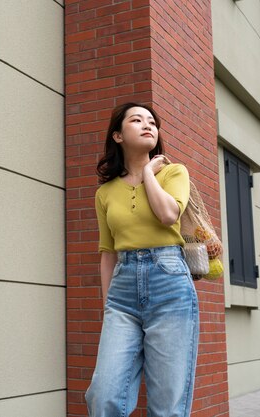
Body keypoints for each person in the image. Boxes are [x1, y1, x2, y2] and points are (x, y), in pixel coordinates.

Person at [85, 102, 199, 417]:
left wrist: (148, 171)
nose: (148, 125)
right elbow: (107, 253)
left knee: (167, 407)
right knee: (104, 396)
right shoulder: (105, 193)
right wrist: (107, 306)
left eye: (152, 121)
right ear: (118, 136)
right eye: (137, 120)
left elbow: (167, 214)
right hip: (122, 294)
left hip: (170, 284)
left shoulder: (175, 173)